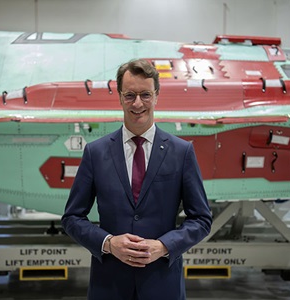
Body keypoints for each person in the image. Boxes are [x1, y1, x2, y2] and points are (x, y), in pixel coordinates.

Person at [61, 58, 212, 300]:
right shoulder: (96, 153)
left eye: (145, 95)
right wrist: (109, 243)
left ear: (157, 96)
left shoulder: (181, 152)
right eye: (130, 95)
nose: (138, 103)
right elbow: (71, 217)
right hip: (108, 287)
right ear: (120, 97)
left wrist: (163, 246)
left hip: (162, 286)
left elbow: (201, 219)